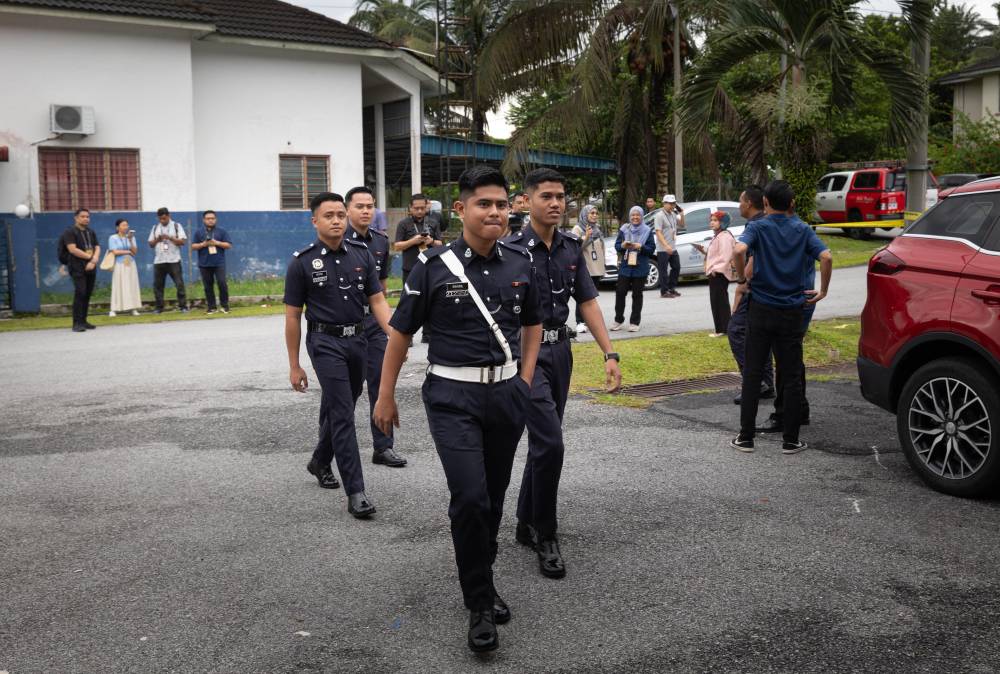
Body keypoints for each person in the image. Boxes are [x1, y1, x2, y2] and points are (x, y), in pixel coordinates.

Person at [373, 165, 542, 653]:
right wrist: (385, 396)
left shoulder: (520, 262)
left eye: (501, 203)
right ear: (463, 209)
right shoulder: (433, 267)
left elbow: (533, 324)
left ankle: (483, 578)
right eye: (484, 204)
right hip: (452, 397)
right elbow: (400, 335)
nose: (495, 211)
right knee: (469, 497)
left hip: (507, 395)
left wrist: (526, 380)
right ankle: (479, 606)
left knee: (493, 495)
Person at [504, 168, 622, 581]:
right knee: (551, 443)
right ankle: (546, 534)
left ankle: (524, 520)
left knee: (544, 441)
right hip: (525, 355)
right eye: (547, 196)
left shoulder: (572, 246)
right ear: (526, 201)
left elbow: (587, 302)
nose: (556, 203)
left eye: (561, 197)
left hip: (561, 352)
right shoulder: (511, 249)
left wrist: (611, 352)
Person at [285, 191, 393, 517]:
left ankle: (320, 460)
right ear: (314, 220)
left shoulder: (361, 255)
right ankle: (356, 491)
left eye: (339, 215)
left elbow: (377, 302)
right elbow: (292, 317)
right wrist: (294, 365)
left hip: (357, 340)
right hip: (324, 343)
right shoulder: (302, 262)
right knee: (344, 412)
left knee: (344, 402)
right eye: (328, 215)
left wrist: (396, 336)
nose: (336, 221)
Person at [730, 180, 832, 455]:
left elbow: (739, 250)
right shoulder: (801, 230)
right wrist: (823, 291)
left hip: (761, 308)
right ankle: (791, 439)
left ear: (765, 203)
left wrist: (741, 277)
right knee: (791, 374)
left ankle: (746, 438)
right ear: (792, 204)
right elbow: (826, 256)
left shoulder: (758, 227)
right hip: (792, 310)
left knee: (752, 372)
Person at [318, 185, 407, 469]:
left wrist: (392, 328)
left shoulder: (380, 242)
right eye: (360, 206)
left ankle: (383, 447)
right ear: (347, 210)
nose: (366, 211)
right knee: (339, 395)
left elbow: (380, 289)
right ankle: (325, 455)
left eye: (370, 206)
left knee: (381, 381)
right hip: (346, 324)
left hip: (374, 323)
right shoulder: (335, 239)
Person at [728, 186, 774, 405]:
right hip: (771, 289)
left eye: (740, 201)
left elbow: (745, 253)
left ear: (748, 203)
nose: (739, 205)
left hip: (756, 289)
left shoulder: (755, 224)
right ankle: (766, 382)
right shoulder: (771, 220)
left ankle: (753, 382)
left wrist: (741, 281)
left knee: (736, 330)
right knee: (759, 335)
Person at [611, 206, 655, 332]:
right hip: (625, 266)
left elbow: (651, 249)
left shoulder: (647, 231)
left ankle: (634, 322)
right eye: (633, 215)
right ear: (630, 217)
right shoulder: (624, 229)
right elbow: (617, 246)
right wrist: (623, 245)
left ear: (642, 216)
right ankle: (618, 320)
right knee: (620, 292)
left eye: (638, 215)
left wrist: (641, 246)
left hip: (640, 266)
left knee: (637, 295)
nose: (635, 217)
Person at [693, 211, 736, 337]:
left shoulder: (725, 236)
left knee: (719, 301)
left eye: (715, 220)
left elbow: (725, 256)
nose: (712, 222)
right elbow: (717, 254)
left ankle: (723, 329)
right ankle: (722, 328)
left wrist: (715, 270)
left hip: (719, 273)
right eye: (711, 220)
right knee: (717, 301)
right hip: (716, 272)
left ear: (723, 222)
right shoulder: (718, 235)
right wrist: (704, 250)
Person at [59, 208, 100, 332]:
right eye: (83, 216)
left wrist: (94, 260)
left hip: (91, 265)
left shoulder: (91, 232)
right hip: (77, 266)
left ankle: (84, 321)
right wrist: (91, 258)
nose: (86, 219)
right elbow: (72, 249)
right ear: (76, 218)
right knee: (80, 292)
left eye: (87, 216)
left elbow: (97, 247)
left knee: (87, 293)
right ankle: (76, 323)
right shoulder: (69, 232)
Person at [570, 204, 606, 334]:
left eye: (596, 213)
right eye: (592, 213)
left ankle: (589, 321)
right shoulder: (578, 228)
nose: (595, 215)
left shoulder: (598, 228)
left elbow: (601, 248)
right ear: (585, 214)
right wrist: (586, 236)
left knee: (591, 298)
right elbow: (575, 248)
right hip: (585, 267)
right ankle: (580, 321)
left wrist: (604, 264)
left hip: (596, 267)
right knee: (583, 296)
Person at [394, 193, 443, 285]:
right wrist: (413, 241)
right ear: (410, 207)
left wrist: (431, 241)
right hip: (410, 269)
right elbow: (397, 247)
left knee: (430, 297)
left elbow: (440, 244)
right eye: (416, 208)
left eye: (422, 208)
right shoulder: (403, 224)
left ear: (426, 207)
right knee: (410, 297)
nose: (420, 211)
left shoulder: (434, 223)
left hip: (430, 267)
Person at [190, 210, 232, 314]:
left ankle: (224, 306)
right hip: (204, 263)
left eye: (212, 218)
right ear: (204, 220)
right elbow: (193, 246)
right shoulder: (199, 232)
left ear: (216, 219)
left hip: (219, 263)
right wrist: (203, 244)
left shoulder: (222, 231)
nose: (210, 221)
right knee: (208, 286)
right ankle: (212, 307)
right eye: (208, 219)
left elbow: (228, 245)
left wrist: (216, 243)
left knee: (222, 283)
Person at [148, 207, 188, 313]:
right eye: (160, 219)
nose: (163, 221)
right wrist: (158, 239)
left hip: (173, 260)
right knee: (158, 285)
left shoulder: (176, 226)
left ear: (169, 216)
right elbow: (151, 244)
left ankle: (183, 306)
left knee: (179, 284)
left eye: (164, 218)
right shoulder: (155, 227)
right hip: (159, 260)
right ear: (158, 218)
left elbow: (182, 242)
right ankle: (159, 307)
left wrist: (170, 238)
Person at [107, 218, 141, 317]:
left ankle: (133, 308)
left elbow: (134, 252)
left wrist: (130, 240)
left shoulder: (131, 237)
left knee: (131, 285)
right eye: (123, 225)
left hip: (130, 264)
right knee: (118, 285)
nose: (125, 227)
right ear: (117, 227)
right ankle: (114, 309)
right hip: (119, 264)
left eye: (127, 225)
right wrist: (127, 252)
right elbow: (114, 251)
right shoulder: (113, 238)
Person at [654, 195, 683, 298]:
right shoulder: (659, 215)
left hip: (673, 247)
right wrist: (666, 246)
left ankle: (671, 288)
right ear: (664, 204)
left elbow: (682, 225)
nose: (672, 205)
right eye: (669, 203)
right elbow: (658, 232)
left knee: (676, 267)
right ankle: (664, 291)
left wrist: (682, 214)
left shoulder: (673, 215)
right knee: (663, 270)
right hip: (663, 248)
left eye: (673, 203)